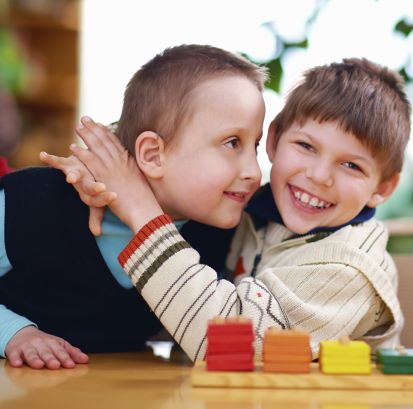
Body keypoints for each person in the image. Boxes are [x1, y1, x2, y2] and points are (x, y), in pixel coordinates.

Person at [47, 58, 411, 363]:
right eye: (306, 146)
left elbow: (230, 343)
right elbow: (179, 156)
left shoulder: (348, 270)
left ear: (382, 188)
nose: (318, 176)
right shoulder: (256, 208)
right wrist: (106, 167)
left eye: (352, 166)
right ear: (272, 140)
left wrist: (137, 203)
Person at [0, 44, 267, 369]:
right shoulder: (31, 204)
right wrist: (14, 334)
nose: (253, 171)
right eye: (232, 143)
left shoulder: (219, 232)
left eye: (255, 145)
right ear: (153, 155)